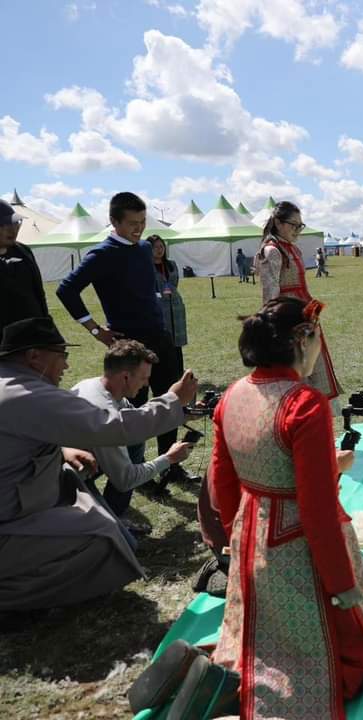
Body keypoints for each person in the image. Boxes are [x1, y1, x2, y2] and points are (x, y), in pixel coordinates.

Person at [200, 296, 363, 719]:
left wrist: (235, 534)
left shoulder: (233, 395)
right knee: (332, 640)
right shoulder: (303, 403)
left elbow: (223, 480)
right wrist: (342, 583)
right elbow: (318, 509)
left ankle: (231, 676)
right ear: (302, 339)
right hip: (295, 543)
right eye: (319, 339)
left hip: (251, 531)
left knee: (259, 625)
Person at [0, 317, 196, 615]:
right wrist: (172, 401)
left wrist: (63, 450)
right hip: (11, 520)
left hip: (25, 498)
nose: (66, 365)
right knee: (104, 539)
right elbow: (112, 426)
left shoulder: (11, 384)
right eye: (61, 355)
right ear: (34, 356)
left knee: (97, 514)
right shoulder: (27, 393)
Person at [56, 192, 192, 486]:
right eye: (132, 223)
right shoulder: (101, 254)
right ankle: (136, 472)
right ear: (114, 221)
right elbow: (66, 290)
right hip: (128, 344)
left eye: (142, 222)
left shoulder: (144, 249)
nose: (139, 228)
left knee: (170, 401)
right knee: (132, 411)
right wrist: (96, 330)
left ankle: (170, 467)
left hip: (160, 337)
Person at [71, 340, 192, 519]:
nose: (146, 384)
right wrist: (169, 458)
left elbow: (135, 422)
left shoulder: (95, 385)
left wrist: (185, 414)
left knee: (135, 442)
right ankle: (115, 517)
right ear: (126, 377)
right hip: (69, 481)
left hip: (86, 461)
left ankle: (114, 513)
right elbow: (126, 480)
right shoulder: (105, 412)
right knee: (114, 532)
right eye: (143, 378)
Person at [255, 200, 341, 401]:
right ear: (278, 223)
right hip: (287, 317)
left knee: (312, 364)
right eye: (293, 225)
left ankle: (314, 409)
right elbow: (270, 292)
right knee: (295, 366)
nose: (297, 230)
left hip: (303, 313)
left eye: (300, 225)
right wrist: (272, 326)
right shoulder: (272, 251)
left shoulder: (292, 248)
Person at [0, 199, 49, 336]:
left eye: (16, 223)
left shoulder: (24, 251)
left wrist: (46, 324)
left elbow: (39, 294)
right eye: (4, 225)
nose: (13, 229)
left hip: (32, 333)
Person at [150, 235, 188, 395]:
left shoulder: (171, 264)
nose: (159, 250)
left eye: (161, 246)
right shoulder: (147, 267)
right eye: (155, 247)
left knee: (176, 344)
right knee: (164, 343)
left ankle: (178, 376)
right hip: (159, 307)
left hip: (175, 306)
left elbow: (174, 283)